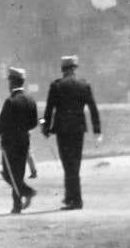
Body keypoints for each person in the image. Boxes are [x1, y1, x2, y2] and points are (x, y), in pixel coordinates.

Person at [42, 54, 103, 210]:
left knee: (67, 164)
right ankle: (71, 197)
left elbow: (49, 110)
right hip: (78, 129)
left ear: (62, 69)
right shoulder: (84, 85)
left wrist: (45, 128)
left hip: (62, 130)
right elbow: (93, 108)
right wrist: (97, 130)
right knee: (75, 163)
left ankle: (75, 200)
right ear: (75, 68)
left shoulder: (56, 85)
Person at [0, 67, 38, 214]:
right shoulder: (31, 100)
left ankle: (27, 193)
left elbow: (1, 123)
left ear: (12, 83)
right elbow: (35, 122)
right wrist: (23, 129)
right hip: (24, 141)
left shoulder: (10, 101)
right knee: (18, 174)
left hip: (9, 143)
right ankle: (17, 206)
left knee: (8, 174)